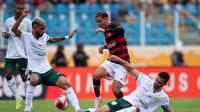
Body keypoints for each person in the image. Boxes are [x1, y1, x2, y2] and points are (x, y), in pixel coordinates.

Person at [11, 8, 83, 112]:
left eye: (44, 29)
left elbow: (52, 39)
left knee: (67, 84)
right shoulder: (26, 36)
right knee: (33, 80)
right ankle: (27, 110)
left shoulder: (44, 36)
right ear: (34, 28)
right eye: (41, 29)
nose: (43, 31)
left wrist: (67, 37)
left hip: (47, 70)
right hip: (35, 71)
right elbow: (13, 30)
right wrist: (22, 16)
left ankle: (78, 109)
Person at [86, 55, 173, 112]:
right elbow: (131, 69)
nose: (156, 83)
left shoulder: (163, 97)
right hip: (126, 101)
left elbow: (167, 110)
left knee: (136, 108)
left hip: (137, 109)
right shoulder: (146, 80)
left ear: (164, 84)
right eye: (156, 80)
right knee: (100, 111)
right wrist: (119, 60)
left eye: (159, 82)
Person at [93, 12, 130, 109]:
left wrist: (105, 31)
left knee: (116, 90)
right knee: (96, 75)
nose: (99, 24)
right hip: (112, 61)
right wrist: (104, 47)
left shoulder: (113, 26)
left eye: (100, 21)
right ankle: (98, 97)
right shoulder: (106, 31)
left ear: (106, 19)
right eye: (97, 22)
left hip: (123, 63)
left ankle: (125, 106)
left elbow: (121, 30)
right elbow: (114, 43)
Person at [2, 3, 32, 110]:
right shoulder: (8, 21)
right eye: (18, 9)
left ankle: (29, 101)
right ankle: (17, 97)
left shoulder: (28, 22)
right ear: (14, 9)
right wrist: (5, 35)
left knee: (24, 78)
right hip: (11, 53)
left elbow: (30, 36)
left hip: (23, 53)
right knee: (8, 75)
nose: (20, 10)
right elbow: (4, 33)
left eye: (22, 9)